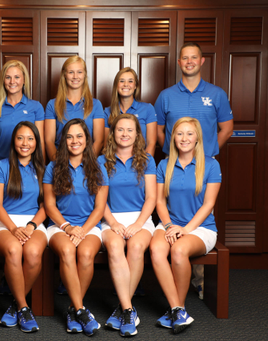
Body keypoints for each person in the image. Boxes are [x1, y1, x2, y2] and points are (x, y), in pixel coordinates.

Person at [154, 42, 233, 300]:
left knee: (198, 215)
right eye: (184, 58)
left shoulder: (216, 93)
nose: (189, 62)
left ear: (202, 62)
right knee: (174, 214)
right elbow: (159, 130)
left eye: (194, 57)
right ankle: (177, 286)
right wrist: (174, 152)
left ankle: (196, 283)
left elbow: (227, 128)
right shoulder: (166, 95)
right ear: (179, 63)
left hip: (203, 168)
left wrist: (204, 154)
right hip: (174, 165)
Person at [150, 117, 221, 334]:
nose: (184, 138)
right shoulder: (164, 165)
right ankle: (177, 310)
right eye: (180, 133)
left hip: (201, 228)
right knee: (155, 249)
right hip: (170, 223)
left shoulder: (211, 164)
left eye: (190, 133)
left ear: (198, 137)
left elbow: (209, 204)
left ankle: (176, 309)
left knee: (179, 250)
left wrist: (186, 229)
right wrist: (170, 225)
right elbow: (160, 201)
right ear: (173, 138)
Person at [43, 118, 108, 336]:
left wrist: (82, 230)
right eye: (69, 136)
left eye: (79, 136)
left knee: (87, 254)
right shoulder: (53, 166)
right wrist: (68, 227)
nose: (74, 141)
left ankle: (72, 309)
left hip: (89, 226)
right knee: (68, 250)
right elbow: (49, 205)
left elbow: (99, 208)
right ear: (63, 140)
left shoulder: (98, 166)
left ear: (87, 140)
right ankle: (81, 309)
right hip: (60, 225)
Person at [99, 114, 157, 337]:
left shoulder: (147, 160)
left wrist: (138, 224)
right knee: (115, 247)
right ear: (113, 133)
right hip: (110, 218)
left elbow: (151, 197)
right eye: (120, 130)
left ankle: (123, 308)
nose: (124, 134)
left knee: (135, 247)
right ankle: (128, 310)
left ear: (137, 134)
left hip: (140, 219)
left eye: (130, 130)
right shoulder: (102, 160)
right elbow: (99, 200)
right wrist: (113, 223)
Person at [0, 121, 47, 333]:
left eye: (30, 138)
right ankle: (24, 307)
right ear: (13, 141)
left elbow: (46, 206)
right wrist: (14, 229)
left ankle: (15, 306)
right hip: (5, 223)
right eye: (20, 138)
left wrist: (31, 226)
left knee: (32, 252)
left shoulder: (42, 169)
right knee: (14, 250)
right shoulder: (1, 166)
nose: (25, 143)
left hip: (34, 223)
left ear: (36, 143)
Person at [45, 56, 105, 161]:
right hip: (61, 163)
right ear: (64, 75)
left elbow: (99, 140)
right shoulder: (52, 104)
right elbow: (49, 140)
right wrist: (58, 165)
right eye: (71, 72)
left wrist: (86, 164)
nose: (75, 76)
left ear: (85, 74)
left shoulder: (95, 104)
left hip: (87, 163)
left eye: (79, 72)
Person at [0, 60, 45, 165]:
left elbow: (40, 142)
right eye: (8, 77)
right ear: (3, 80)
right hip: (0, 165)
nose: (12, 81)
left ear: (24, 80)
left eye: (17, 77)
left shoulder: (36, 107)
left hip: (28, 166)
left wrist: (41, 167)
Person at [104, 67, 157, 156]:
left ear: (135, 86)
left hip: (140, 163)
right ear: (116, 85)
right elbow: (107, 145)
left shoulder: (148, 109)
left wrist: (144, 165)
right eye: (121, 81)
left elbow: (151, 144)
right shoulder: (107, 111)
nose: (126, 84)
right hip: (116, 164)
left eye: (130, 81)